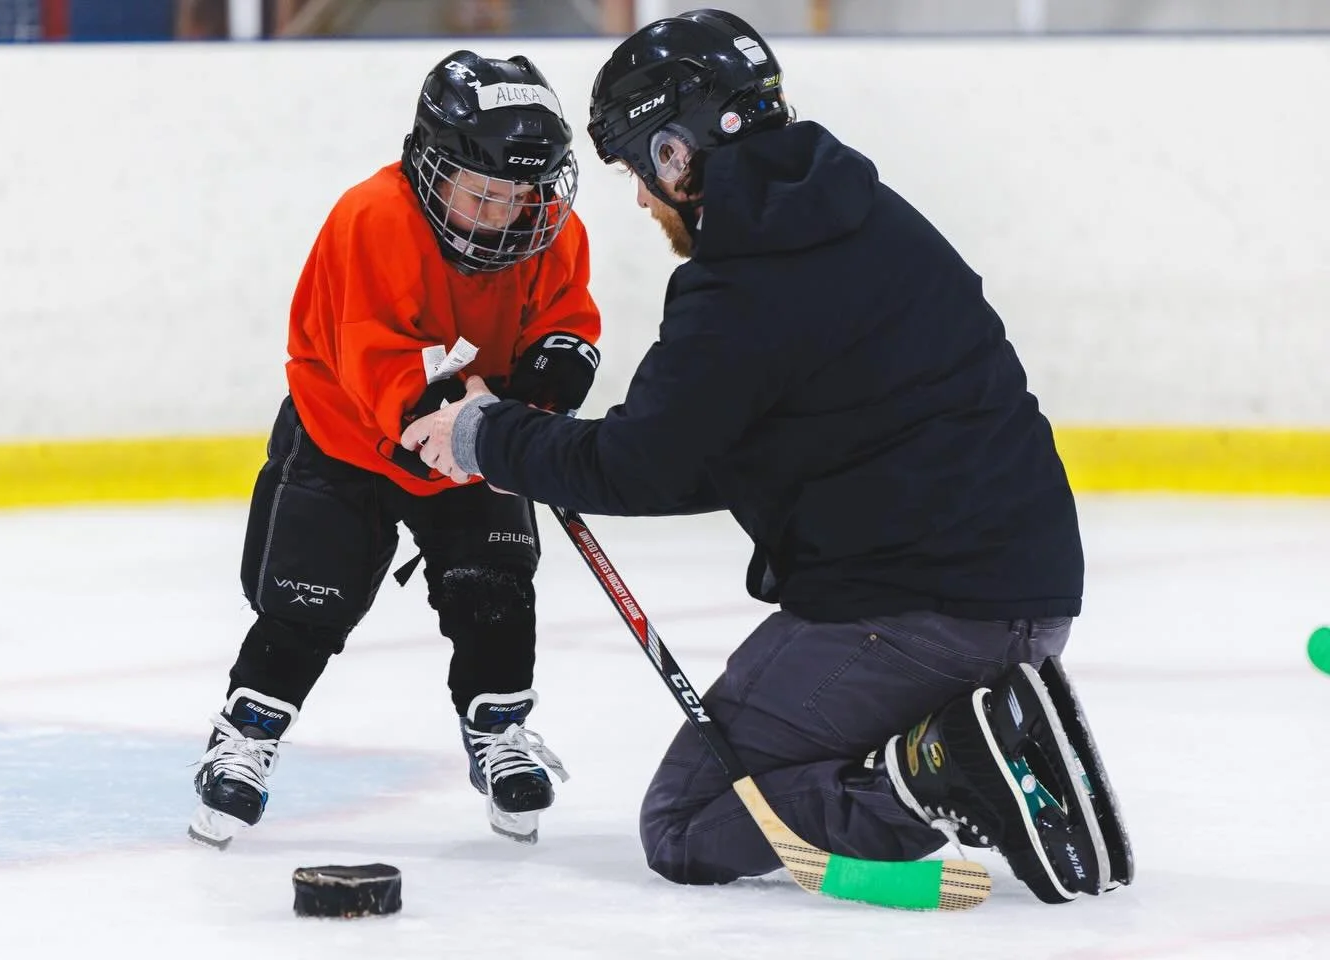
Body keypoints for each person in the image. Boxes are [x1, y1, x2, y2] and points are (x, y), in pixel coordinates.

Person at [402, 9, 1133, 903]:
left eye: (639, 168)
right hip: (1025, 598)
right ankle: (982, 730)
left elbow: (644, 465)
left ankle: (942, 769)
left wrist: (484, 435)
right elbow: (723, 452)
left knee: (684, 822)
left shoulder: (742, 280)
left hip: (917, 618)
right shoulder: (866, 212)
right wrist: (536, 444)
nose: (638, 197)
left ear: (679, 155)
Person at [188, 49, 601, 849]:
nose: (507, 211)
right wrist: (470, 427)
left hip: (474, 442)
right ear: (432, 168)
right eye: (483, 192)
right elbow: (379, 360)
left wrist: (546, 383)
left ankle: (500, 732)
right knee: (305, 605)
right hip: (346, 439)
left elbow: (567, 319)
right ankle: (244, 741)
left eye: (521, 194)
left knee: (497, 590)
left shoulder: (550, 228)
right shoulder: (374, 217)